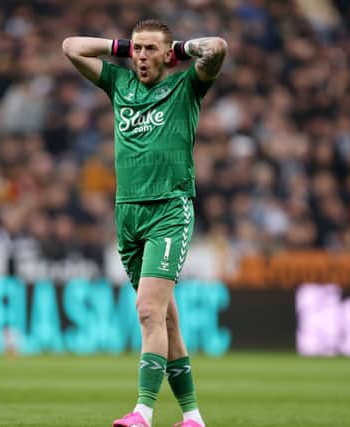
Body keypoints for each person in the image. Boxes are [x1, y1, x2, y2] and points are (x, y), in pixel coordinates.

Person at [63, 19, 227, 427]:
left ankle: (143, 412)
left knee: (148, 310)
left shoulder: (186, 86)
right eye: (136, 48)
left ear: (168, 55)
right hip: (128, 214)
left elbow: (218, 47)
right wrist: (121, 47)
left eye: (151, 49)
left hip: (169, 210)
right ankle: (193, 418)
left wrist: (181, 50)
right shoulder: (120, 85)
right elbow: (71, 46)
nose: (141, 56)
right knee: (165, 319)